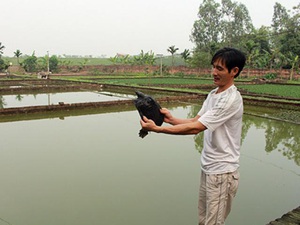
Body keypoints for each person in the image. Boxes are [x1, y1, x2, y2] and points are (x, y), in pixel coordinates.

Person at [140, 47, 246, 225]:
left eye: (220, 69)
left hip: (222, 171)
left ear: (234, 71)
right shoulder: (214, 94)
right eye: (213, 67)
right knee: (204, 220)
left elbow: (195, 128)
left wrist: (158, 129)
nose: (214, 72)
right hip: (209, 169)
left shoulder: (230, 99)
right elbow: (196, 120)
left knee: (213, 223)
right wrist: (171, 119)